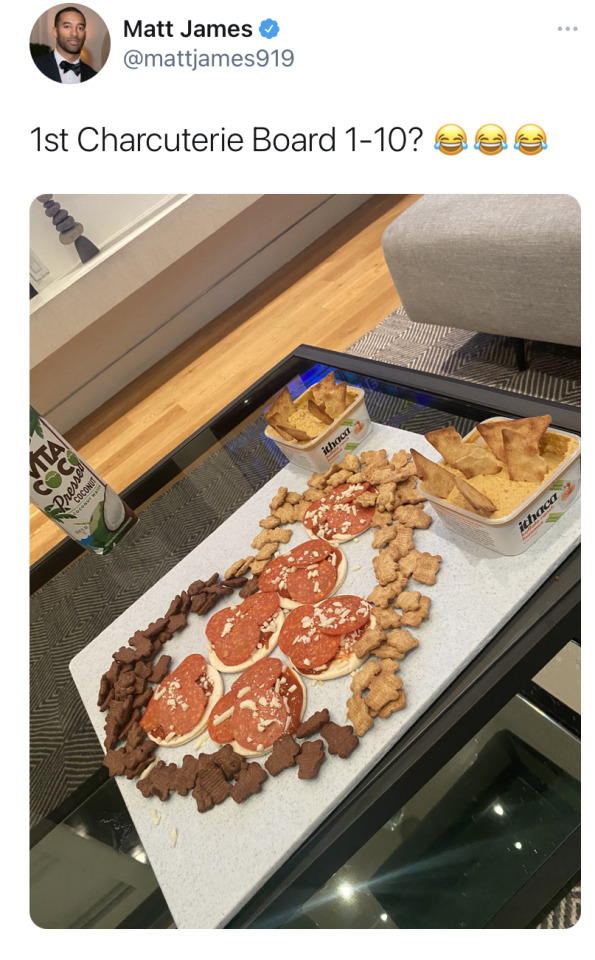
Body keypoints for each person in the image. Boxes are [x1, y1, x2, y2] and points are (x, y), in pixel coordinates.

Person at [33, 7, 97, 83]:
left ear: (85, 35)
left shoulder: (93, 75)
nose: (74, 33)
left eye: (80, 28)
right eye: (67, 26)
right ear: (55, 32)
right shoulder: (35, 65)